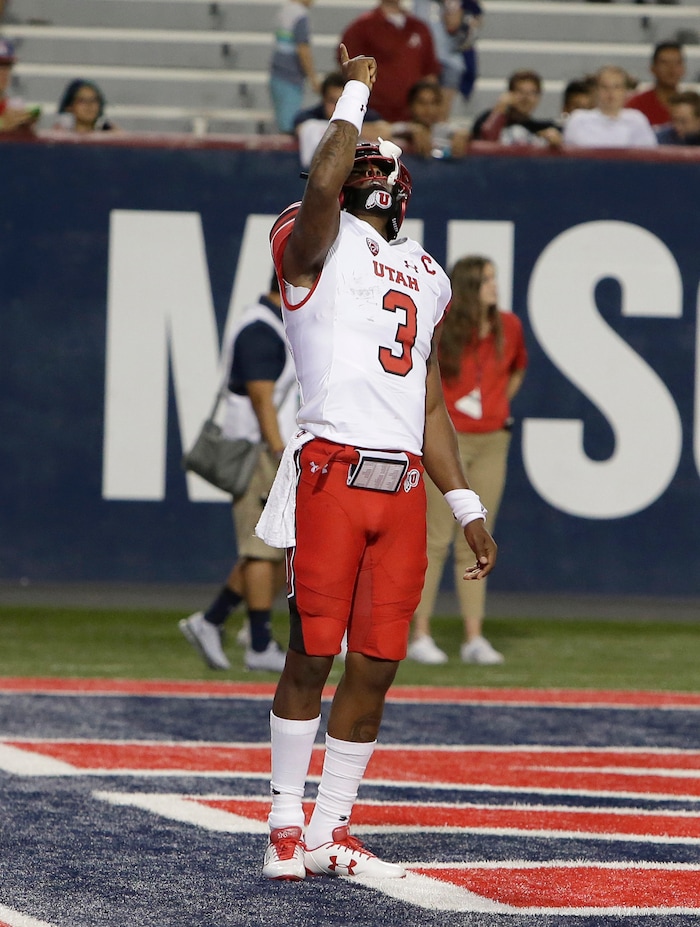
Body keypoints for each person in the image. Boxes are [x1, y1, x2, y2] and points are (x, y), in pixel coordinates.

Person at [257, 43, 497, 881]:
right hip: (330, 465)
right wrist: (354, 93)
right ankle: (285, 821)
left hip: (399, 484)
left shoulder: (428, 272)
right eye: (369, 163)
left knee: (380, 662)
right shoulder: (308, 235)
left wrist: (464, 502)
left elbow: (428, 399)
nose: (379, 175)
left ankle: (330, 827)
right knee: (311, 651)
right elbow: (320, 188)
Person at [408, 256, 527, 666]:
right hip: (449, 444)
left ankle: (473, 637)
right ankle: (420, 633)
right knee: (435, 538)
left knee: (477, 536)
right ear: (470, 286)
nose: (495, 286)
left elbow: (516, 370)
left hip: (493, 440)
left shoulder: (509, 326)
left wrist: (496, 406)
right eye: (488, 280)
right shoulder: (445, 328)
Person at [179, 274, 299, 673]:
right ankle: (259, 642)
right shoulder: (260, 330)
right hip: (258, 451)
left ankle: (213, 620)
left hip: (264, 448)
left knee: (271, 550)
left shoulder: (271, 325)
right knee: (263, 550)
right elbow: (262, 399)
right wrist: (281, 453)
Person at [339, 0, 441, 123]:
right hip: (373, 117)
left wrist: (428, 111)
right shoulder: (361, 27)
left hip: (413, 119)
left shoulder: (420, 28)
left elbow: (430, 74)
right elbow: (350, 69)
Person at [293, 71, 392, 169]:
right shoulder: (309, 116)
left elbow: (385, 131)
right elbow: (301, 128)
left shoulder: (361, 112)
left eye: (342, 101)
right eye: (332, 101)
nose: (338, 107)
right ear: (323, 99)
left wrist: (344, 126)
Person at [412, 0, 483, 120]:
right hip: (423, 58)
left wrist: (451, 5)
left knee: (454, 69)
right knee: (425, 100)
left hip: (449, 58)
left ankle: (440, 126)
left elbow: (452, 25)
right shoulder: (421, 5)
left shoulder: (456, 3)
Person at [563, 65, 657, 148]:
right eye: (604, 87)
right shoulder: (578, 119)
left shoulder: (637, 120)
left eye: (617, 87)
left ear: (625, 91)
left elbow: (648, 156)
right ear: (596, 90)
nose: (610, 93)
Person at [470, 69, 562, 147]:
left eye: (532, 93)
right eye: (520, 92)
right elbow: (486, 142)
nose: (526, 98)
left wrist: (555, 141)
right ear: (509, 94)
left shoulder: (544, 128)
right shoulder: (486, 119)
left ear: (538, 98)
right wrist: (500, 108)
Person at [270, 0, 320, 134]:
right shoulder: (300, 15)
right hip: (290, 76)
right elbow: (303, 49)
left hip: (277, 73)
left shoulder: (285, 10)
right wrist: (313, 78)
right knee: (290, 125)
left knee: (283, 121)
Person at [626, 41, 686, 128]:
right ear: (653, 68)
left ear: (683, 69)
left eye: (677, 63)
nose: (671, 69)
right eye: (665, 63)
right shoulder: (636, 106)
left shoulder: (694, 106)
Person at [0, 37, 39, 134]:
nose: (4, 72)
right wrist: (2, 125)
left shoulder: (15, 106)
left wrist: (26, 129)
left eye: (7, 66)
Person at [52, 79, 117, 133]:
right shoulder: (59, 137)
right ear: (69, 107)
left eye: (93, 100)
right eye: (82, 101)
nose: (89, 105)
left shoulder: (110, 136)